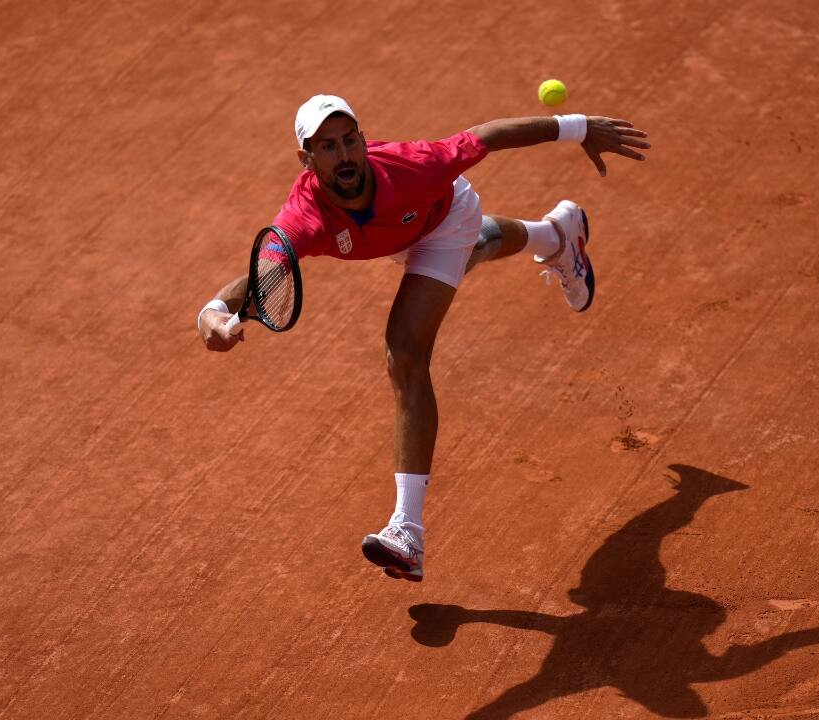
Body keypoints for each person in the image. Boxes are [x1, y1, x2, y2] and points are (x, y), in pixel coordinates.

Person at [196, 94, 650, 582]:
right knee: (479, 246)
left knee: (406, 350)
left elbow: (488, 135)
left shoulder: (416, 166)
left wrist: (579, 127)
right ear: (306, 159)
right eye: (327, 147)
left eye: (350, 141)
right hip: (397, 232)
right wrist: (213, 313)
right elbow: (263, 276)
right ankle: (556, 235)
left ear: (363, 140)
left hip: (444, 215)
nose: (344, 155)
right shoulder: (304, 217)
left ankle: (406, 532)